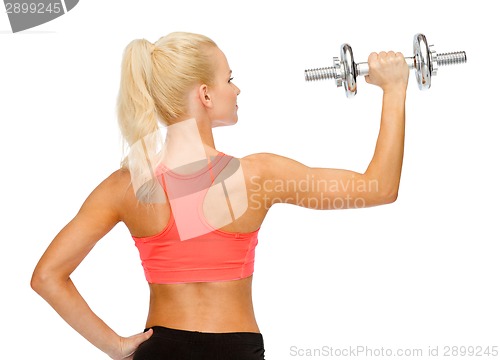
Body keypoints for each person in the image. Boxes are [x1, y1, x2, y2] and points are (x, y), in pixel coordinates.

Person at [31, 31, 409, 359]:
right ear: (206, 94)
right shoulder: (258, 175)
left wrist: (114, 346)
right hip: (235, 350)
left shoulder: (126, 186)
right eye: (230, 78)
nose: (237, 88)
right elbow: (379, 188)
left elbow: (48, 276)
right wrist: (393, 89)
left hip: (159, 351)